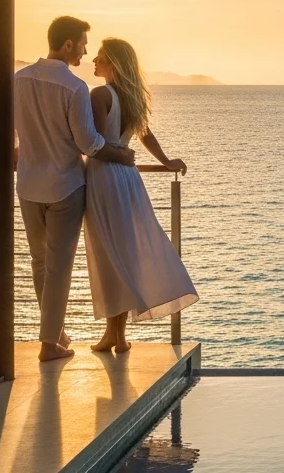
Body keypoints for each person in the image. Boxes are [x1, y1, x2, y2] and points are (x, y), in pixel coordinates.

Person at [15, 16, 136, 362]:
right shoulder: (74, 88)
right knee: (59, 266)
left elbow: (11, 131)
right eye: (83, 44)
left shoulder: (19, 79)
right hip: (65, 186)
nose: (85, 51)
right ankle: (49, 344)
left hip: (28, 185)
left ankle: (54, 334)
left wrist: (19, 155)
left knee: (40, 263)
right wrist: (120, 154)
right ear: (67, 45)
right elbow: (90, 143)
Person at [84, 38, 197, 353]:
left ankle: (114, 334)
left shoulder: (100, 95)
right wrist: (166, 161)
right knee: (124, 252)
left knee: (108, 255)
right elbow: (143, 133)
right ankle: (117, 335)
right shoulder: (130, 97)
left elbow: (94, 141)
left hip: (104, 176)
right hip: (128, 179)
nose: (94, 59)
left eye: (101, 57)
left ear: (114, 63)